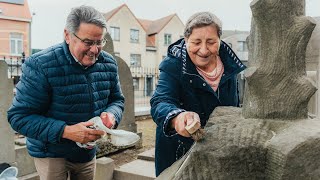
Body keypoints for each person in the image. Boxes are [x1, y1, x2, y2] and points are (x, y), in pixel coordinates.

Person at [7, 5, 124, 180]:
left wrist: (112, 115)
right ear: (68, 35)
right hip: (50, 153)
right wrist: (66, 131)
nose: (95, 50)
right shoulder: (40, 65)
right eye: (88, 42)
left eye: (99, 42)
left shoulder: (109, 63)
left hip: (87, 152)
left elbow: (117, 100)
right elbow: (19, 117)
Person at [150, 11, 246, 176]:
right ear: (186, 40)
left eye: (211, 42)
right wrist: (177, 117)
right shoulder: (173, 65)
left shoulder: (230, 66)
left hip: (219, 152)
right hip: (179, 153)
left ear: (219, 40)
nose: (203, 50)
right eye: (196, 42)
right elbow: (160, 101)